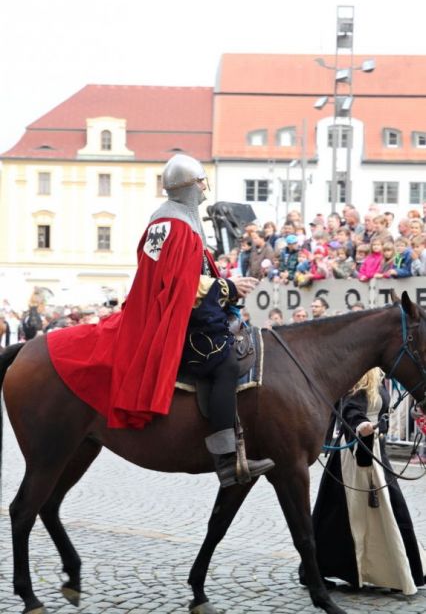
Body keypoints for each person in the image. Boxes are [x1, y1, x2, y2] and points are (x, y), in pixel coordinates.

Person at [47, 153, 274, 489]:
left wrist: (224, 284)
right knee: (224, 365)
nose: (203, 187)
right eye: (200, 181)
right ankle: (227, 460)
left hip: (187, 308)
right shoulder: (177, 225)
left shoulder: (172, 219)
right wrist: (227, 286)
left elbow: (184, 275)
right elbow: (175, 281)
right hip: (181, 317)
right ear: (187, 186)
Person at [303, 369, 426, 594]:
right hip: (353, 455)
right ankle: (318, 571)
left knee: (391, 508)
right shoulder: (354, 379)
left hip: (376, 452)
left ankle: (395, 570)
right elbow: (351, 410)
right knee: (337, 517)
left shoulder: (378, 377)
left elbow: (381, 412)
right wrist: (361, 426)